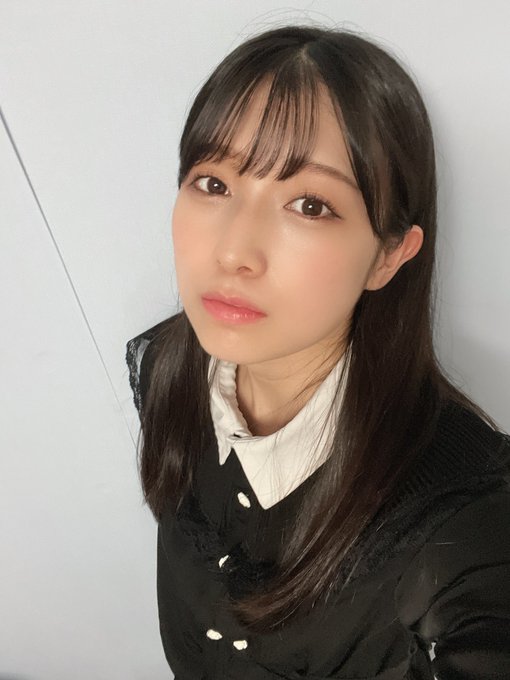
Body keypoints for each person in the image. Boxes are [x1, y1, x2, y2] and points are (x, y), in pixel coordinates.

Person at [125, 24, 510, 679]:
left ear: (389, 255)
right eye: (213, 184)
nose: (233, 252)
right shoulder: (167, 363)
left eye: (309, 204)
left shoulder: (459, 507)